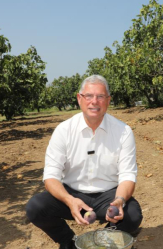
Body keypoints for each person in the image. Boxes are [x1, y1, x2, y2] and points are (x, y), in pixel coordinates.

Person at [25, 75, 143, 249]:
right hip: (72, 193)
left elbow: (127, 174)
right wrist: (70, 200)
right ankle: (69, 242)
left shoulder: (123, 131)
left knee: (132, 214)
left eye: (100, 96)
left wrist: (119, 200)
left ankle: (105, 239)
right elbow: (51, 176)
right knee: (36, 207)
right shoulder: (64, 130)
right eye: (88, 96)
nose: (94, 101)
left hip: (108, 196)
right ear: (79, 99)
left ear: (108, 100)